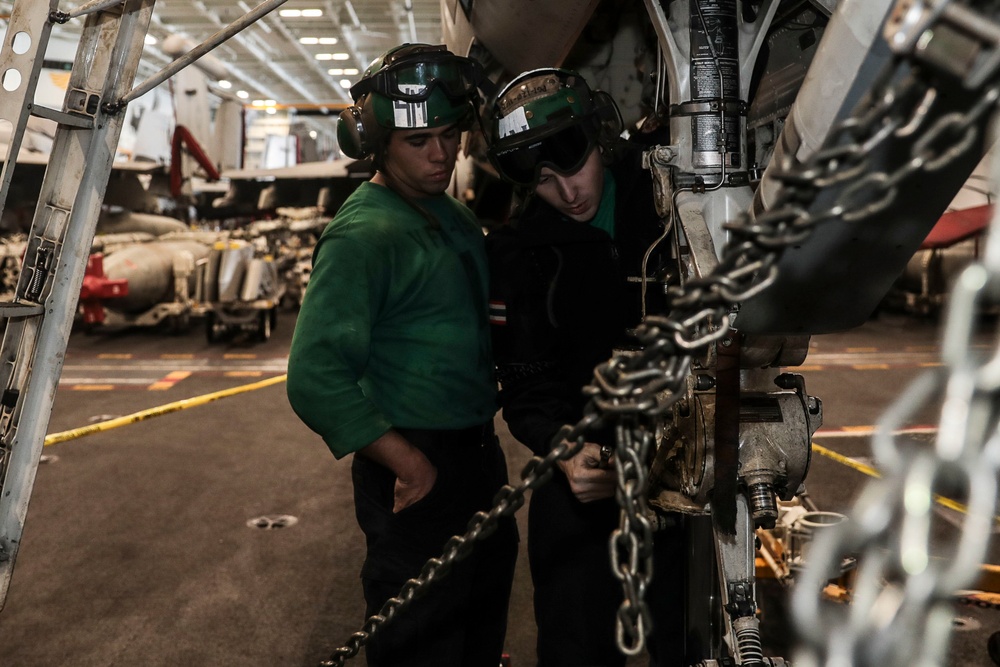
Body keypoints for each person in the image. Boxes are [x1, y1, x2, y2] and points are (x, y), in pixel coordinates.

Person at [286, 43, 517, 667]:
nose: (441, 154)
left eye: (450, 134)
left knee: (478, 629)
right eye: (420, 142)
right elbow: (314, 377)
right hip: (418, 466)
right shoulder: (363, 234)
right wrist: (409, 465)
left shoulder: (452, 217)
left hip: (477, 459)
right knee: (420, 642)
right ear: (378, 144)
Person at [484, 68, 684, 666]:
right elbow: (525, 382)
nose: (567, 192)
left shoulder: (673, 206)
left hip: (685, 463)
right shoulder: (521, 255)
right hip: (582, 475)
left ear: (599, 137)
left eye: (571, 165)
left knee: (690, 639)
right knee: (576, 640)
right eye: (542, 181)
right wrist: (564, 450)